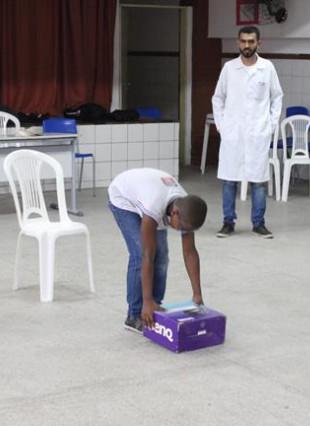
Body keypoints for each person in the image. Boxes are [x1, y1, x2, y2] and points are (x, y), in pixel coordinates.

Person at [108, 168, 208, 333]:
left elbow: (190, 252)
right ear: (174, 213)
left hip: (148, 193)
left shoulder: (186, 208)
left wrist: (197, 294)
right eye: (182, 228)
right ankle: (134, 315)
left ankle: (154, 306)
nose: (183, 231)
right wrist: (146, 300)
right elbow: (147, 256)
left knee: (162, 258)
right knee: (141, 254)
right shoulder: (154, 206)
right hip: (123, 199)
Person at [212, 26, 283, 239]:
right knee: (229, 179)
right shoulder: (229, 68)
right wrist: (222, 126)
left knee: (259, 180)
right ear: (238, 42)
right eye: (243, 41)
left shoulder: (267, 68)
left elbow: (277, 97)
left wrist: (270, 126)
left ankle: (258, 223)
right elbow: (218, 98)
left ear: (258, 43)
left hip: (257, 133)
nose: (247, 46)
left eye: (251, 41)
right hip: (233, 134)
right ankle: (228, 222)